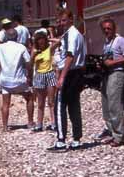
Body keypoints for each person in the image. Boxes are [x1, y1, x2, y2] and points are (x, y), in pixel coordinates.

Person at [49, 9, 86, 151]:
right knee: (74, 106)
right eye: (59, 21)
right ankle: (77, 139)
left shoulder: (72, 34)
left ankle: (61, 140)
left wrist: (62, 77)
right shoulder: (74, 34)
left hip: (70, 73)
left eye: (64, 20)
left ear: (71, 19)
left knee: (60, 105)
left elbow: (70, 55)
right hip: (77, 73)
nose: (61, 23)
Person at [93, 17, 124, 147]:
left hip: (117, 73)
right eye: (104, 29)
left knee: (114, 104)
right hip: (107, 74)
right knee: (106, 104)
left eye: (109, 28)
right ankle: (113, 132)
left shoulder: (120, 40)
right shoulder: (107, 43)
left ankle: (120, 136)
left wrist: (112, 63)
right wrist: (103, 65)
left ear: (114, 29)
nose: (106, 31)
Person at [0, 28, 34, 131]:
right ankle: (30, 122)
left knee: (5, 103)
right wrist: (29, 77)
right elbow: (29, 63)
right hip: (19, 80)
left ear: (6, 37)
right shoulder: (21, 47)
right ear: (17, 37)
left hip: (5, 81)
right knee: (29, 98)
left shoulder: (0, 47)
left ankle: (5, 126)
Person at [31, 29, 59, 132]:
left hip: (50, 74)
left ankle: (53, 123)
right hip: (39, 76)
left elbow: (58, 41)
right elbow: (30, 64)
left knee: (51, 102)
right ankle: (39, 124)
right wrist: (33, 56)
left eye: (43, 41)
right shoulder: (35, 52)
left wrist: (48, 38)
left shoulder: (49, 49)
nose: (41, 43)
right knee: (40, 103)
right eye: (39, 41)